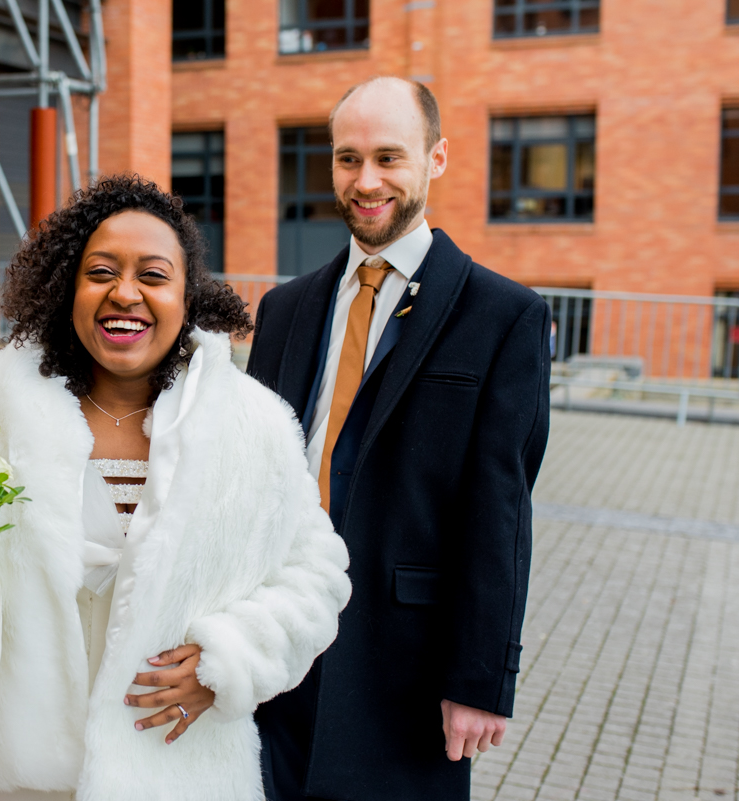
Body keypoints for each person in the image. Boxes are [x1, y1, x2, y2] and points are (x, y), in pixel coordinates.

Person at [0, 176, 352, 800]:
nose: (125, 294)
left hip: (175, 773)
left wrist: (232, 658)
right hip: (5, 779)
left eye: (154, 275)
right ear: (66, 289)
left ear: (189, 295)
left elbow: (318, 571)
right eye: (101, 271)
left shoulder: (251, 423)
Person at [246, 77, 552, 800]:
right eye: (348, 159)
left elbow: (500, 509)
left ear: (435, 158)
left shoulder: (504, 316)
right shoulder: (285, 309)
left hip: (404, 666)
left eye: (389, 157)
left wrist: (481, 679)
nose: (367, 180)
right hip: (275, 647)